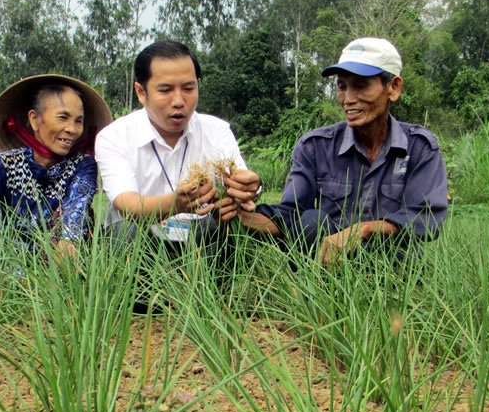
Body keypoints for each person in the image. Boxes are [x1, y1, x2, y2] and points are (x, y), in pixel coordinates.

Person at [238, 37, 448, 263]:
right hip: (328, 262)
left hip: (390, 262)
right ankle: (312, 293)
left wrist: (362, 230)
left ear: (393, 87)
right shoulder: (315, 146)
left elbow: (425, 218)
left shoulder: (419, 147)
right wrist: (238, 215)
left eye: (361, 85)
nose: (348, 99)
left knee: (409, 255)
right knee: (310, 221)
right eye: (342, 86)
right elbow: (291, 214)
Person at [94, 40, 261, 256]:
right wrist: (175, 204)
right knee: (125, 231)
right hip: (141, 238)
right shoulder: (114, 137)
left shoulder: (216, 131)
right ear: (141, 92)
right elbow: (126, 203)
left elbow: (240, 179)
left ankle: (215, 286)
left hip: (200, 237)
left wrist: (248, 190)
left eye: (189, 88)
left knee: (231, 226)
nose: (179, 101)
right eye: (165, 90)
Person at [0, 74, 112, 262]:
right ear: (34, 119)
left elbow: (75, 216)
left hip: (55, 262)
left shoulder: (82, 165)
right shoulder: (1, 165)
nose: (72, 129)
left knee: (84, 219)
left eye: (78, 121)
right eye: (63, 118)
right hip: (0, 257)